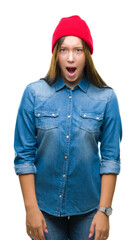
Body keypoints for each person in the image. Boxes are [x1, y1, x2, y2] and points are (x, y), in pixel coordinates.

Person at [14, 15, 122, 240]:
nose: (70, 58)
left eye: (78, 50)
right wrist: (30, 208)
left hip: (90, 211)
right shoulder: (34, 94)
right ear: (55, 54)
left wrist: (105, 211)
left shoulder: (106, 98)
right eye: (63, 50)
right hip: (44, 210)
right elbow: (24, 156)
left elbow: (111, 158)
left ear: (88, 55)